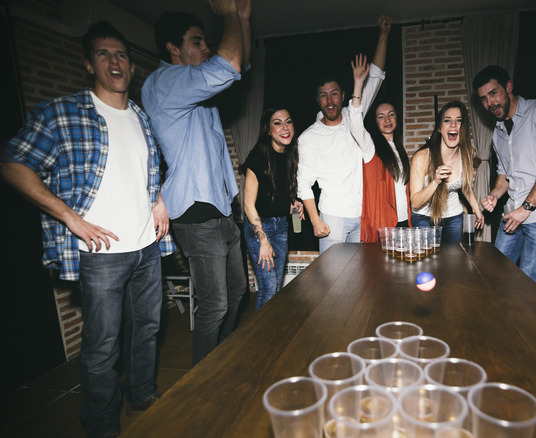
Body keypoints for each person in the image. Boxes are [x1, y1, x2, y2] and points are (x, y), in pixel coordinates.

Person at [0, 21, 174, 438]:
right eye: (103, 54)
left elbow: (146, 172)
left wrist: (158, 198)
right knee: (102, 345)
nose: (115, 62)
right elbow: (12, 165)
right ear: (88, 64)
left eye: (122, 55)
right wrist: (70, 217)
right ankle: (101, 425)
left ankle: (143, 401)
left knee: (147, 331)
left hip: (147, 246)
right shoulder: (62, 112)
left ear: (132, 67)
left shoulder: (140, 117)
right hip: (101, 254)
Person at [141, 0, 250, 366]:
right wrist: (229, 16)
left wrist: (244, 19)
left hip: (219, 209)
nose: (206, 49)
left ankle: (224, 358)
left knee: (237, 292)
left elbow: (238, 66)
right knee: (215, 304)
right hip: (193, 212)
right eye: (197, 42)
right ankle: (202, 381)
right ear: (173, 48)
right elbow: (228, 65)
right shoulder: (167, 82)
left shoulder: (193, 89)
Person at [472, 65, 536, 287]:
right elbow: (504, 175)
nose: (490, 103)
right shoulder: (498, 133)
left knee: (528, 284)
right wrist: (494, 195)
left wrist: (526, 208)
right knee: (494, 274)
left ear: (508, 87)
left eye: (493, 93)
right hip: (514, 211)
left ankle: (527, 322)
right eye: (483, 99)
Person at [297, 15, 391, 253]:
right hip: (332, 218)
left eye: (334, 93)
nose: (330, 101)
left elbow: (376, 76)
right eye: (323, 95)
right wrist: (316, 220)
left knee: (359, 277)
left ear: (343, 94)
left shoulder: (354, 114)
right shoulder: (309, 137)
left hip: (362, 214)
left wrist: (383, 35)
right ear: (317, 100)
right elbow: (303, 183)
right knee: (332, 279)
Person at [240, 107, 303, 310]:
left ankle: (269, 337)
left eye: (288, 121)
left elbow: (278, 189)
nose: (285, 127)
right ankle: (260, 341)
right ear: (267, 129)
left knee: (275, 288)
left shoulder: (290, 154)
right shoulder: (258, 157)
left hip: (282, 225)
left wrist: (292, 202)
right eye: (277, 123)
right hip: (260, 227)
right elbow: (248, 205)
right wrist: (263, 241)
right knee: (268, 288)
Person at [349, 54, 411, 241]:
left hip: (404, 221)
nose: (387, 120)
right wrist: (358, 84)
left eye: (391, 114)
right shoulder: (370, 147)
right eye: (381, 116)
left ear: (397, 119)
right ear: (375, 122)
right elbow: (355, 122)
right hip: (383, 226)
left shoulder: (400, 150)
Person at [410, 101, 484, 242]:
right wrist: (435, 182)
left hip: (453, 218)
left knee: (453, 262)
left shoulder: (468, 153)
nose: (453, 125)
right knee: (426, 263)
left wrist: (477, 209)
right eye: (447, 121)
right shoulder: (423, 157)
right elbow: (415, 202)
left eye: (459, 121)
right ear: (439, 128)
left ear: (464, 127)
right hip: (424, 218)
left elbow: (466, 186)